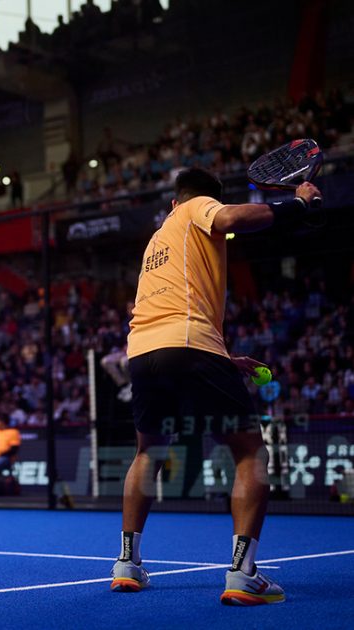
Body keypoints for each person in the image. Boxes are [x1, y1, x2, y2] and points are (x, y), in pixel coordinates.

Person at [110, 167, 321, 605]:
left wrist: (223, 356)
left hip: (143, 351)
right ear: (190, 201)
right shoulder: (197, 208)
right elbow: (228, 220)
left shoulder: (156, 240)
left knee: (148, 451)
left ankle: (127, 564)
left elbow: (172, 307)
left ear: (170, 201)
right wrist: (297, 205)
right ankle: (243, 573)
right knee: (249, 452)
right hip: (190, 343)